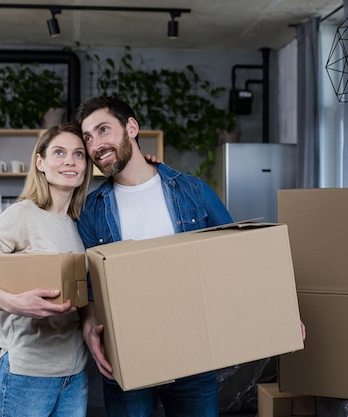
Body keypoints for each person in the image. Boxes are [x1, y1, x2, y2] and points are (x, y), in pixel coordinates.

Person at [74, 96, 234, 417]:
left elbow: (234, 256)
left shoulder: (192, 190)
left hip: (193, 351)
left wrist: (275, 310)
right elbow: (88, 287)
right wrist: (89, 325)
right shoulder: (90, 209)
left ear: (131, 127)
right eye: (88, 138)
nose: (96, 145)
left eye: (104, 130)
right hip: (127, 353)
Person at [0, 122, 93, 417]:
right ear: (40, 162)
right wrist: (14, 303)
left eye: (79, 155)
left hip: (74, 372)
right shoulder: (22, 215)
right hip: (27, 374)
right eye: (59, 152)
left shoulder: (80, 223)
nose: (70, 161)